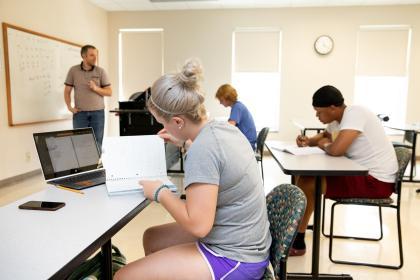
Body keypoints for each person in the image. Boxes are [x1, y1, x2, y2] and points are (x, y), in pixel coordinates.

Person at [114, 59, 271, 280]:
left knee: (124, 276)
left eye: (164, 123)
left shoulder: (203, 150)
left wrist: (160, 193)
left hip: (235, 257)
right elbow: (215, 159)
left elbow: (198, 226)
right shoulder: (220, 129)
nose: (163, 128)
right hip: (242, 237)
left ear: (178, 121)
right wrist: (183, 142)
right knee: (152, 237)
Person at [289, 85, 398, 256]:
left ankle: (297, 241)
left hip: (377, 182)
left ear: (333, 108)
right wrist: (308, 141)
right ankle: (297, 229)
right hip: (363, 174)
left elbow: (336, 150)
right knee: (304, 178)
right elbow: (325, 136)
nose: (317, 116)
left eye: (319, 112)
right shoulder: (339, 119)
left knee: (309, 182)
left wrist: (324, 145)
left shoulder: (355, 113)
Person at [64, 45, 112, 151]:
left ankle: (96, 167)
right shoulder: (73, 71)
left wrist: (96, 88)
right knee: (79, 143)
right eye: (91, 55)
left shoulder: (101, 71)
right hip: (80, 114)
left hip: (98, 113)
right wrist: (69, 107)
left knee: (97, 143)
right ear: (83, 56)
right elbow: (67, 91)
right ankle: (83, 167)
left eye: (96, 55)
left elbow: (109, 92)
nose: (95, 58)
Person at [215, 84, 257, 150]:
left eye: (221, 100)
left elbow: (229, 127)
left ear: (227, 98)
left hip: (248, 144)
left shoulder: (237, 107)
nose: (220, 103)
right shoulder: (237, 106)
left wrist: (215, 128)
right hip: (247, 141)